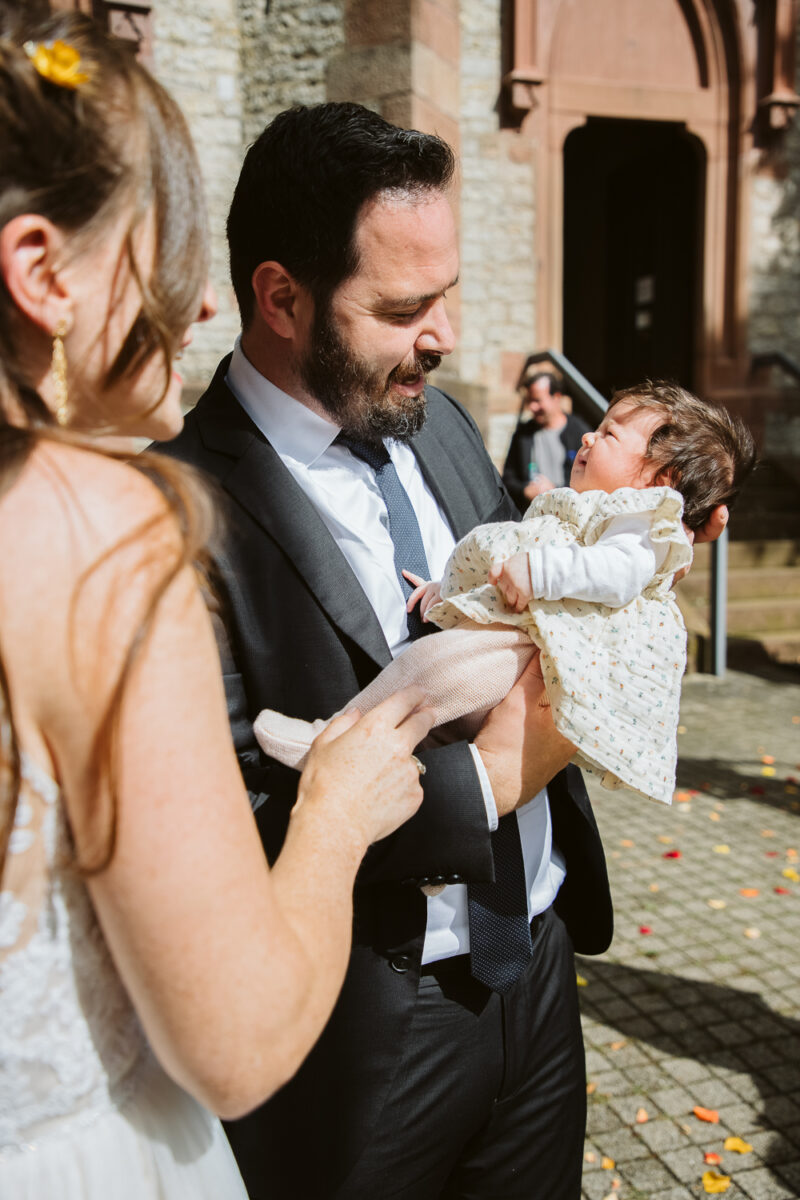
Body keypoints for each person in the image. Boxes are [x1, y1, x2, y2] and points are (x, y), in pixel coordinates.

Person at [154, 102, 732, 1200]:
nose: (444, 336)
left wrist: (642, 558)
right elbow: (229, 829)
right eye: (405, 307)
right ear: (279, 296)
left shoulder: (446, 422)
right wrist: (528, 756)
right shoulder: (175, 508)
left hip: (539, 971)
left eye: (449, 295)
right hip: (363, 1031)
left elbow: (544, 595)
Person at [0, 14, 434, 1199]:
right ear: (43, 273)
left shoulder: (438, 433)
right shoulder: (96, 528)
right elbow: (236, 1043)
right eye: (166, 246)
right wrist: (338, 811)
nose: (197, 309)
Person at [256, 381, 755, 807]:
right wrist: (448, 590)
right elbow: (507, 554)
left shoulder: (640, 520)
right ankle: (415, 814)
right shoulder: (589, 514)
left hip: (526, 650)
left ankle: (335, 739)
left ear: (658, 480)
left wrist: (538, 572)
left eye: (609, 434)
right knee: (437, 717)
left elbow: (616, 572)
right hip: (519, 642)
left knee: (430, 668)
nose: (587, 435)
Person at [502, 369, 591, 510]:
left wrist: (555, 491)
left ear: (556, 397)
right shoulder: (523, 434)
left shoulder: (579, 433)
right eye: (529, 401)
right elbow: (508, 478)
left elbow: (590, 480)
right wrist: (524, 490)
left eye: (537, 400)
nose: (532, 407)